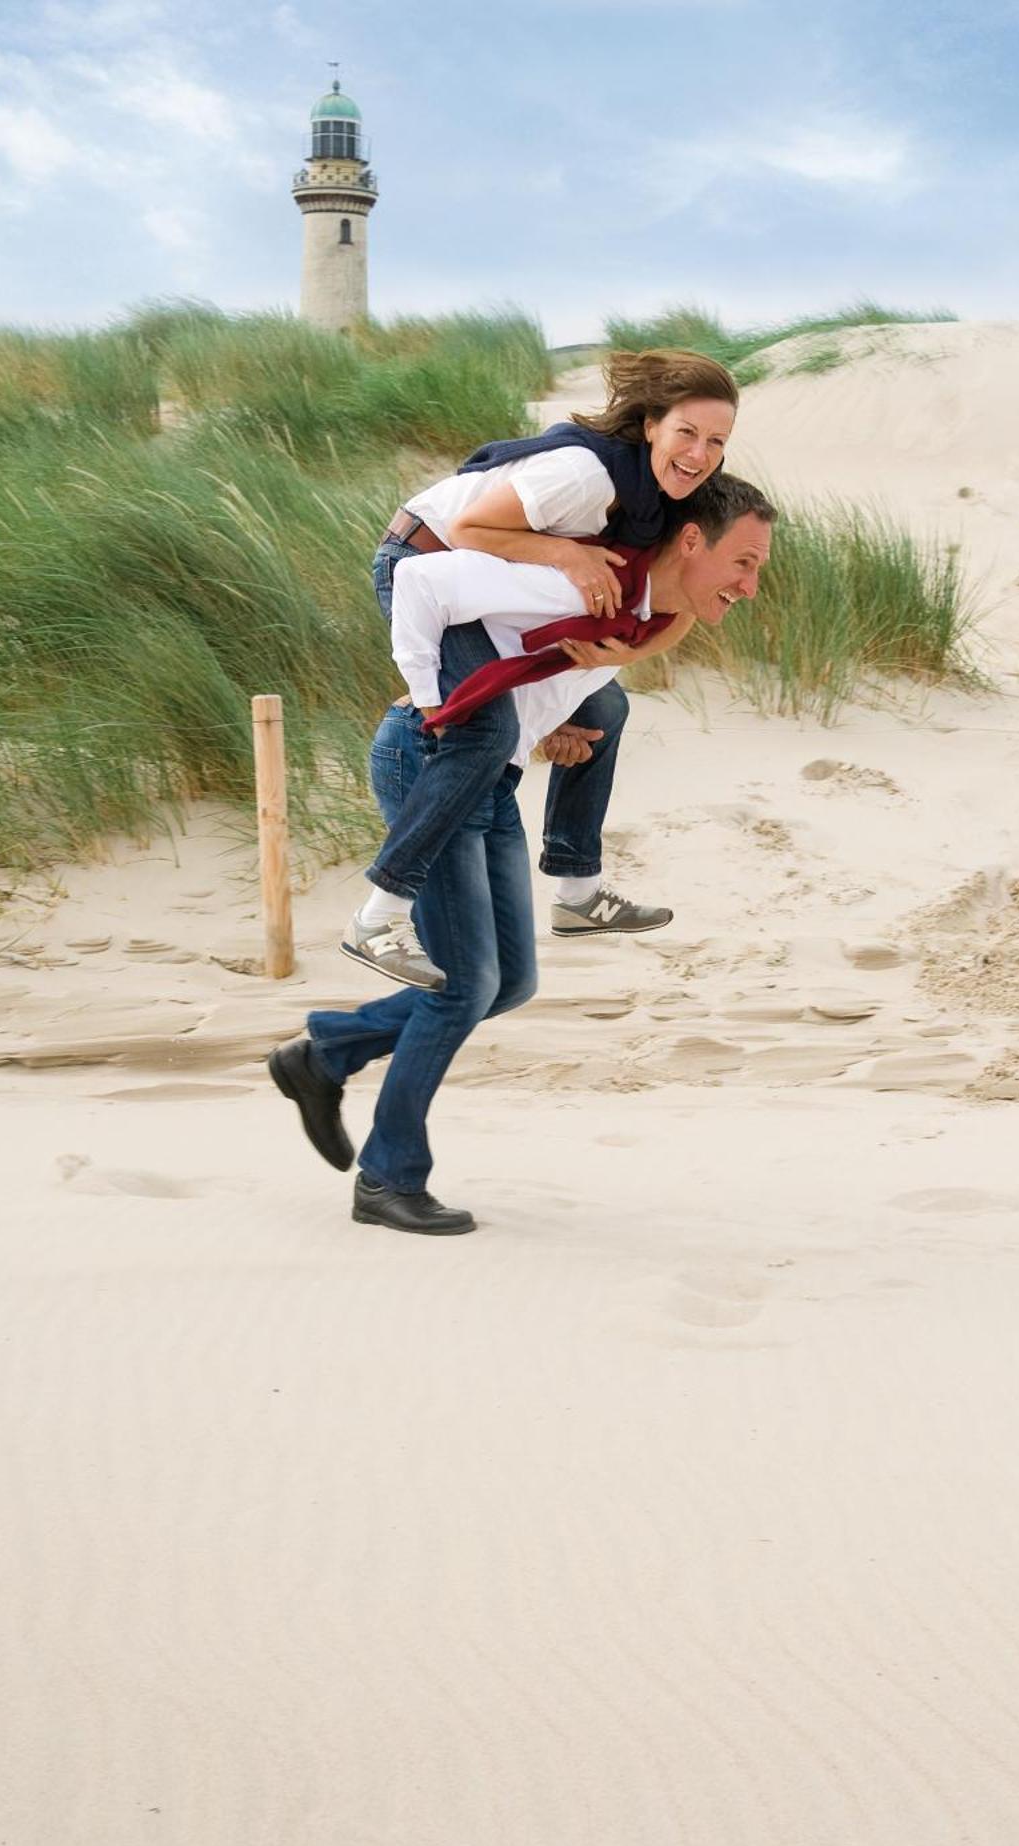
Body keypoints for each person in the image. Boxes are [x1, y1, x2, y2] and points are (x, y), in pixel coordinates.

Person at [267, 473, 776, 1236]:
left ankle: (327, 1051)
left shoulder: (636, 616)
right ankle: (387, 1177)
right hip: (427, 762)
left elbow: (515, 673)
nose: (751, 586)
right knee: (460, 985)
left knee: (507, 983)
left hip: (492, 785)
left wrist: (552, 725)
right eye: (744, 563)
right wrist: (429, 696)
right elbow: (419, 578)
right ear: (692, 542)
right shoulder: (581, 580)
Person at [341, 348, 739, 983]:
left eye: (717, 440)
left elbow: (688, 590)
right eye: (686, 432)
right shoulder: (587, 475)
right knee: (488, 731)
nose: (701, 453)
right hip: (425, 559)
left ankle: (578, 892)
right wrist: (565, 555)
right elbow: (470, 529)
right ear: (649, 427)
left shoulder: (661, 493)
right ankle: (378, 917)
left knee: (606, 706)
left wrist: (632, 652)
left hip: (493, 574)